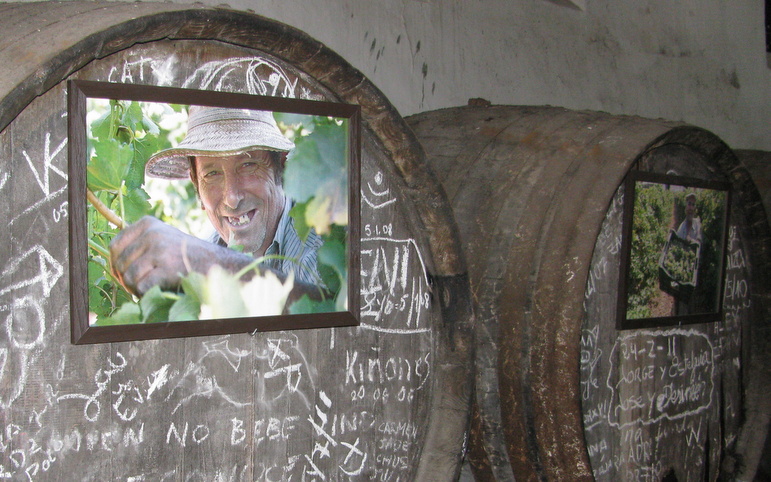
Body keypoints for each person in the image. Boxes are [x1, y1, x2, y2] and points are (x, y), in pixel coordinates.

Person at [109, 105, 324, 303]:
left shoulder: (326, 240)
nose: (232, 197)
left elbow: (328, 311)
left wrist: (211, 265)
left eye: (248, 165)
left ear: (282, 167)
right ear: (197, 187)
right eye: (211, 174)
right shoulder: (200, 261)